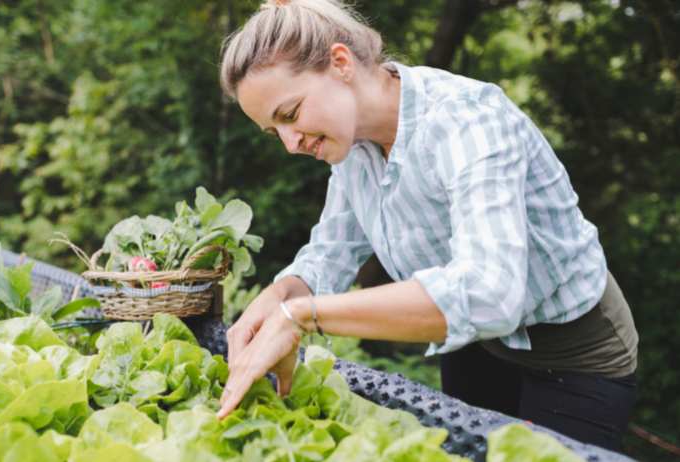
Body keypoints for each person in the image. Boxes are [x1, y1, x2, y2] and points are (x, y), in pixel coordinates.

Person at [216, 0, 638, 452]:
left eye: (291, 114)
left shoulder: (466, 120)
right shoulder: (353, 145)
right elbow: (332, 251)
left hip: (572, 354)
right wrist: (281, 295)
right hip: (473, 343)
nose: (290, 144)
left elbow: (489, 293)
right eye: (273, 130)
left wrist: (304, 316)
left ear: (340, 63)